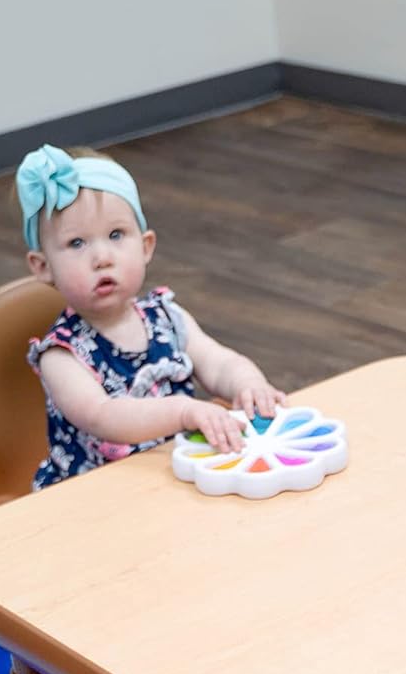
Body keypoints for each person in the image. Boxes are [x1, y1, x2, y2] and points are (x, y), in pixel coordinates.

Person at [16, 143, 285, 490]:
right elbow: (104, 416)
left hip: (175, 475)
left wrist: (249, 384)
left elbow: (219, 363)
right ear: (42, 266)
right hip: (94, 499)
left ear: (145, 247)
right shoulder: (61, 354)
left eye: (116, 235)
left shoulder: (167, 318)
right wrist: (184, 412)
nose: (101, 257)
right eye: (77, 243)